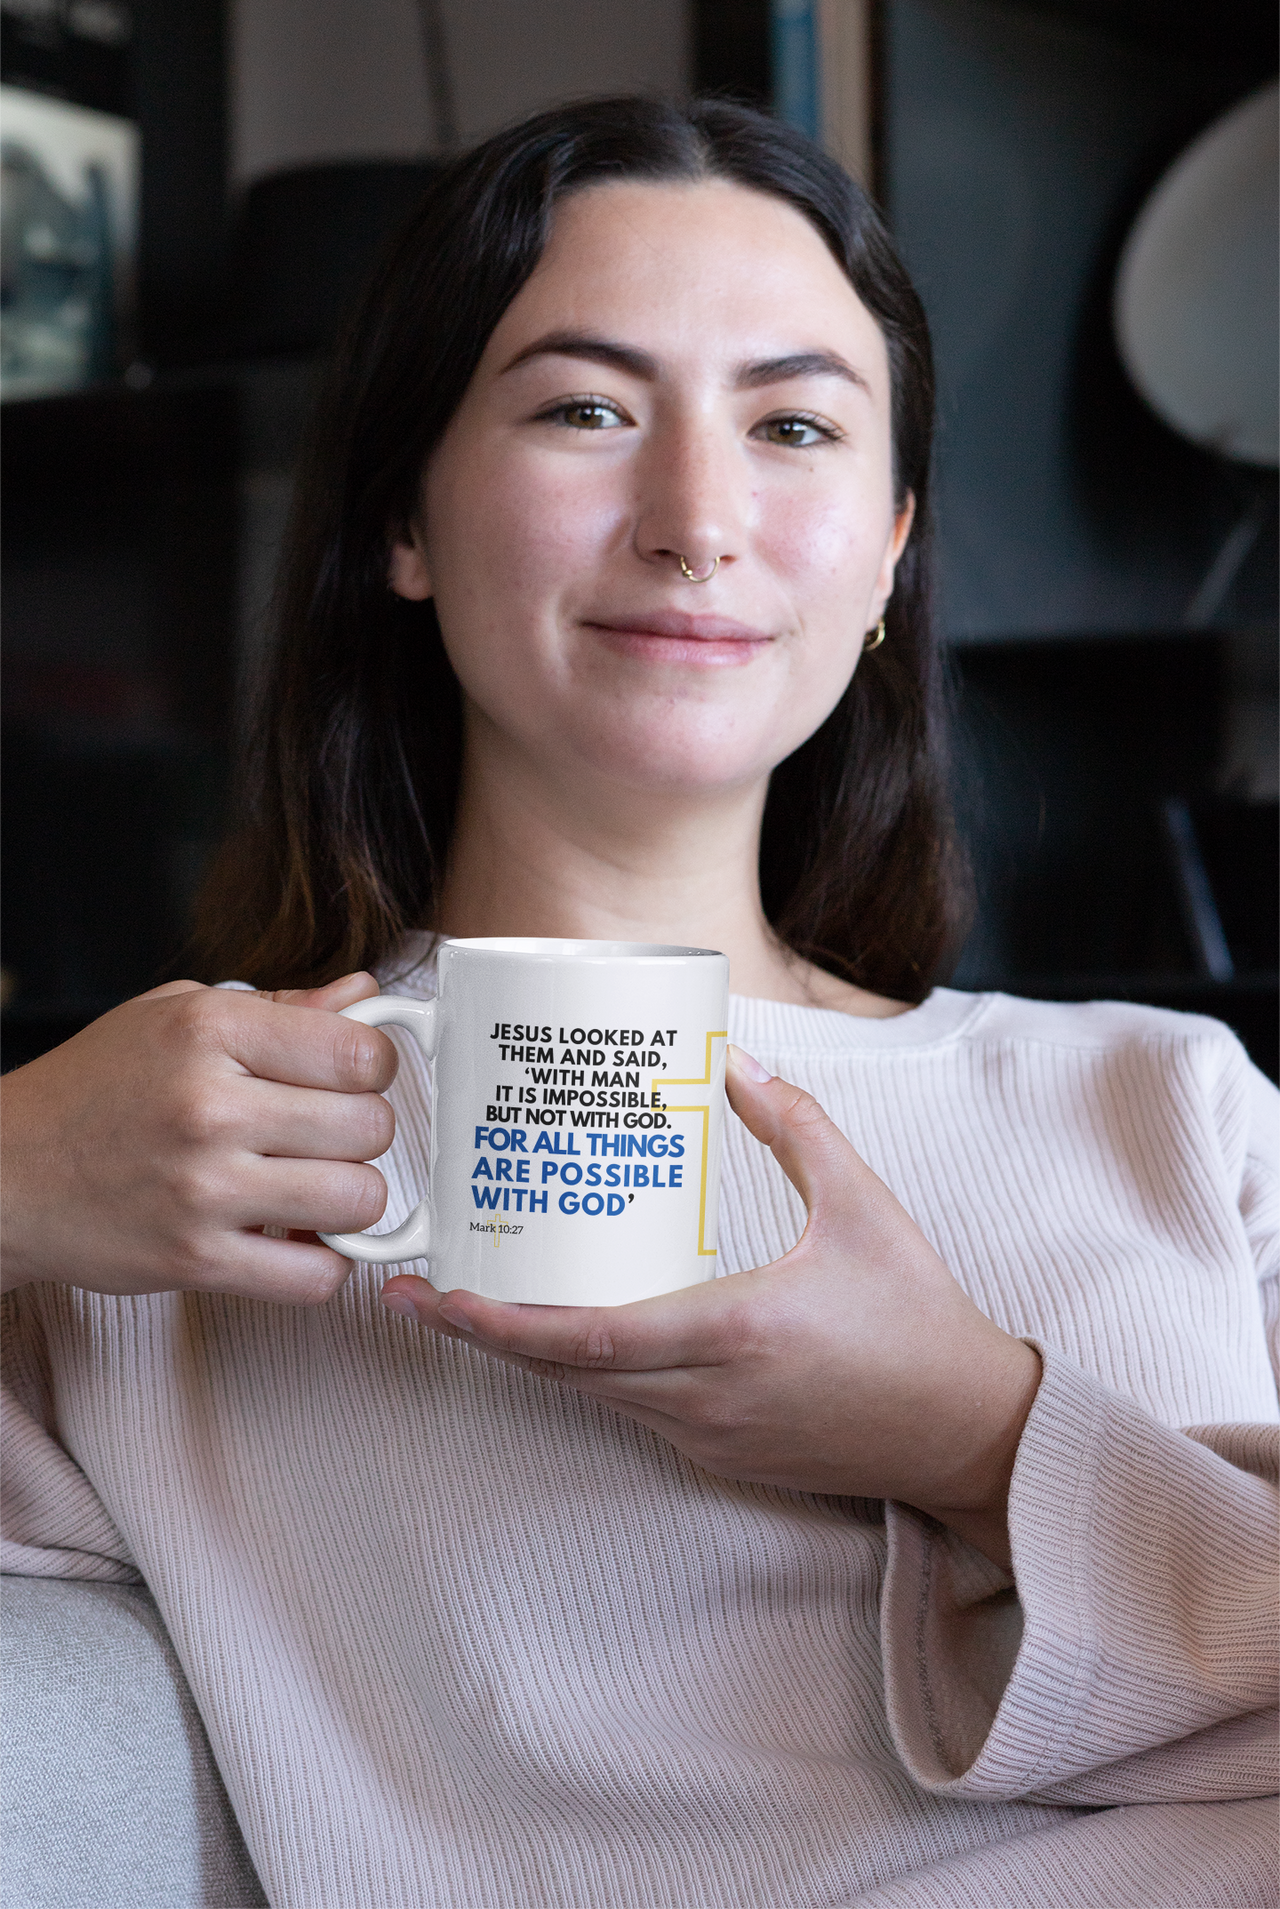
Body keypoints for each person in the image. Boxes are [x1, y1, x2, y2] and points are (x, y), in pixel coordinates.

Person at [2, 96, 1279, 1909]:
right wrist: (12, 1172)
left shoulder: (1171, 1103)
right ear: (405, 520)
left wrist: (980, 1437)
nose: (696, 522)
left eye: (794, 426)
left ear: (893, 547)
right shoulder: (178, 1180)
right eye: (587, 407)